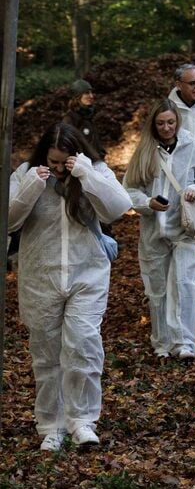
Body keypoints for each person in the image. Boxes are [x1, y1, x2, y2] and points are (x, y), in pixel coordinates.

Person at [10, 122, 132, 450]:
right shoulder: (26, 173)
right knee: (46, 354)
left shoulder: (94, 170)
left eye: (64, 162)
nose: (58, 168)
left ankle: (83, 421)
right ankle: (51, 424)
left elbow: (118, 208)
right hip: (40, 276)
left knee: (83, 346)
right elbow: (9, 220)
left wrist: (86, 175)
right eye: (52, 161)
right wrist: (31, 187)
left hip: (87, 274)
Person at [124, 100, 195, 360]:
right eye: (161, 123)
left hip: (186, 229)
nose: (166, 128)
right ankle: (162, 340)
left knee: (186, 284)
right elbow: (129, 188)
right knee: (157, 287)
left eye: (171, 122)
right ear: (154, 124)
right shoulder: (144, 152)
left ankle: (185, 341)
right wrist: (146, 203)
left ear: (178, 122)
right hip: (153, 231)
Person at [63, 79, 106, 159]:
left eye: (91, 92)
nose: (91, 96)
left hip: (97, 164)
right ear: (77, 97)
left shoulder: (89, 116)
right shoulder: (70, 119)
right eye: (87, 93)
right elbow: (67, 147)